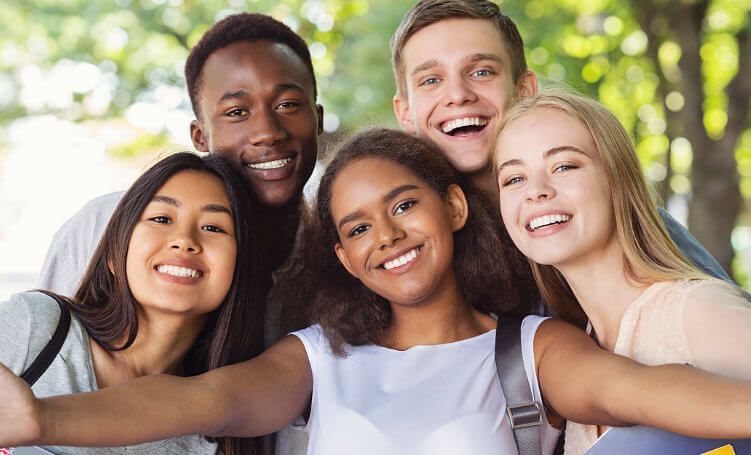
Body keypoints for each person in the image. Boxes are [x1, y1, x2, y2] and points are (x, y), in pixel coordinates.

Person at [1, 129, 750, 454]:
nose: (384, 236)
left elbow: (650, 394)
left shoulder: (528, 347)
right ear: (344, 258)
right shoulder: (316, 358)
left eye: (402, 204)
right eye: (356, 227)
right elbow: (204, 401)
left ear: (452, 208)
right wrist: (40, 418)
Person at [35, 13, 323, 453]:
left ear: (317, 118)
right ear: (199, 134)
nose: (267, 131)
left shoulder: (339, 265)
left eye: (287, 104)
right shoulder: (104, 226)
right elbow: (48, 358)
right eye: (236, 112)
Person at [389, 0, 733, 285]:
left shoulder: (607, 210)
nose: (459, 95)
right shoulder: (408, 244)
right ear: (405, 113)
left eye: (481, 72)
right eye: (431, 80)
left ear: (524, 91)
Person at [492, 90, 751, 453]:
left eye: (564, 166)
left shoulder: (698, 311)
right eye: (514, 178)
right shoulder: (577, 350)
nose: (536, 191)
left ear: (617, 179)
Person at [1, 152, 266, 454]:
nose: (184, 240)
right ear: (115, 252)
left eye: (213, 227)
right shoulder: (36, 327)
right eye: (161, 219)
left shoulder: (216, 435)